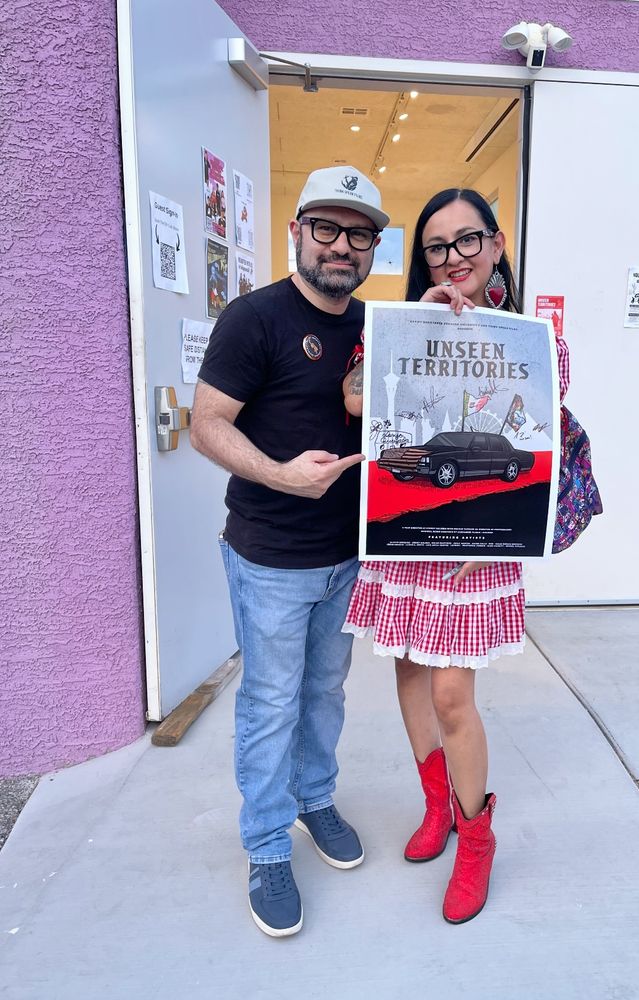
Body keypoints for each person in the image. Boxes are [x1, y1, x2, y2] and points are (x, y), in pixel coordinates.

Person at [342, 188, 569, 924]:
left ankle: (476, 840)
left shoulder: (533, 336)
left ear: (496, 244)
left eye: (466, 241)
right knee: (408, 670)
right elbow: (354, 401)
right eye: (437, 246)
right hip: (407, 538)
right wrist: (412, 330)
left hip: (479, 548)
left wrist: (500, 527)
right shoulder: (399, 324)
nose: (453, 257)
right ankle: (434, 805)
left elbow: (542, 438)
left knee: (450, 695)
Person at [190, 165, 388, 938]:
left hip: (349, 552)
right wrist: (279, 476)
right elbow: (207, 423)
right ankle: (268, 844)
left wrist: (441, 317)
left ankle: (314, 799)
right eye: (327, 229)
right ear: (297, 233)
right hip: (271, 553)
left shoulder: (376, 325)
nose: (341, 246)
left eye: (359, 233)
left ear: (374, 245)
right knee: (271, 702)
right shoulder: (254, 318)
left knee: (326, 691)